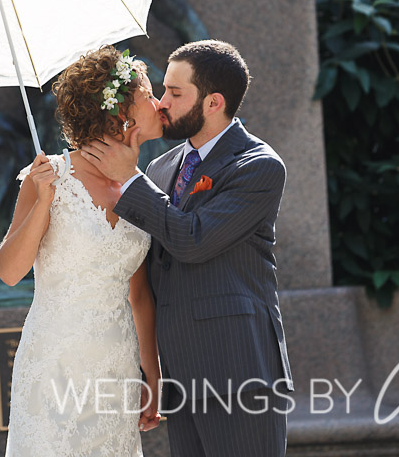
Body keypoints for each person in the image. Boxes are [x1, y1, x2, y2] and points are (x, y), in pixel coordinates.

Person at [81, 40, 294, 457]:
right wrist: (149, 370)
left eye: (176, 94)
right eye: (163, 90)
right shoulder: (161, 168)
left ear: (214, 102)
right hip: (180, 378)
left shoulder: (258, 166)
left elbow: (193, 241)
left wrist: (129, 180)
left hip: (238, 371)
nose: (162, 103)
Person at [0, 45, 163, 456]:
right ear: (119, 111)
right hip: (55, 364)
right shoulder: (49, 175)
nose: (159, 104)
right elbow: (9, 271)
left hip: (117, 368)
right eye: (149, 94)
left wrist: (154, 378)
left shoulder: (138, 186)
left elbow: (138, 295)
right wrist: (43, 201)